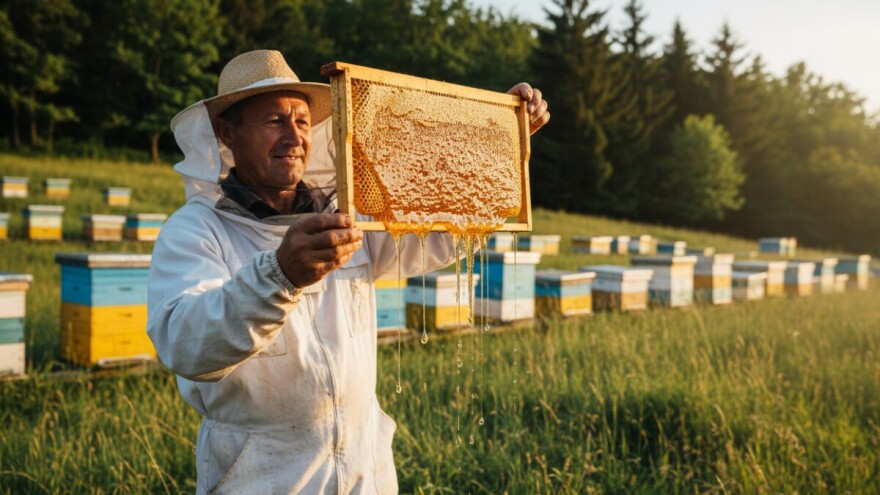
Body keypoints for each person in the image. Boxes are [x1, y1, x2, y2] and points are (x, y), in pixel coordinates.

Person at [147, 49, 549, 495]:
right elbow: (185, 343)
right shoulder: (196, 230)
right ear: (227, 133)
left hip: (364, 471)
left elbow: (435, 235)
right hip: (262, 475)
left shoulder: (347, 215)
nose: (293, 136)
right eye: (273, 121)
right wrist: (279, 275)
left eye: (301, 121)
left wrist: (503, 145)